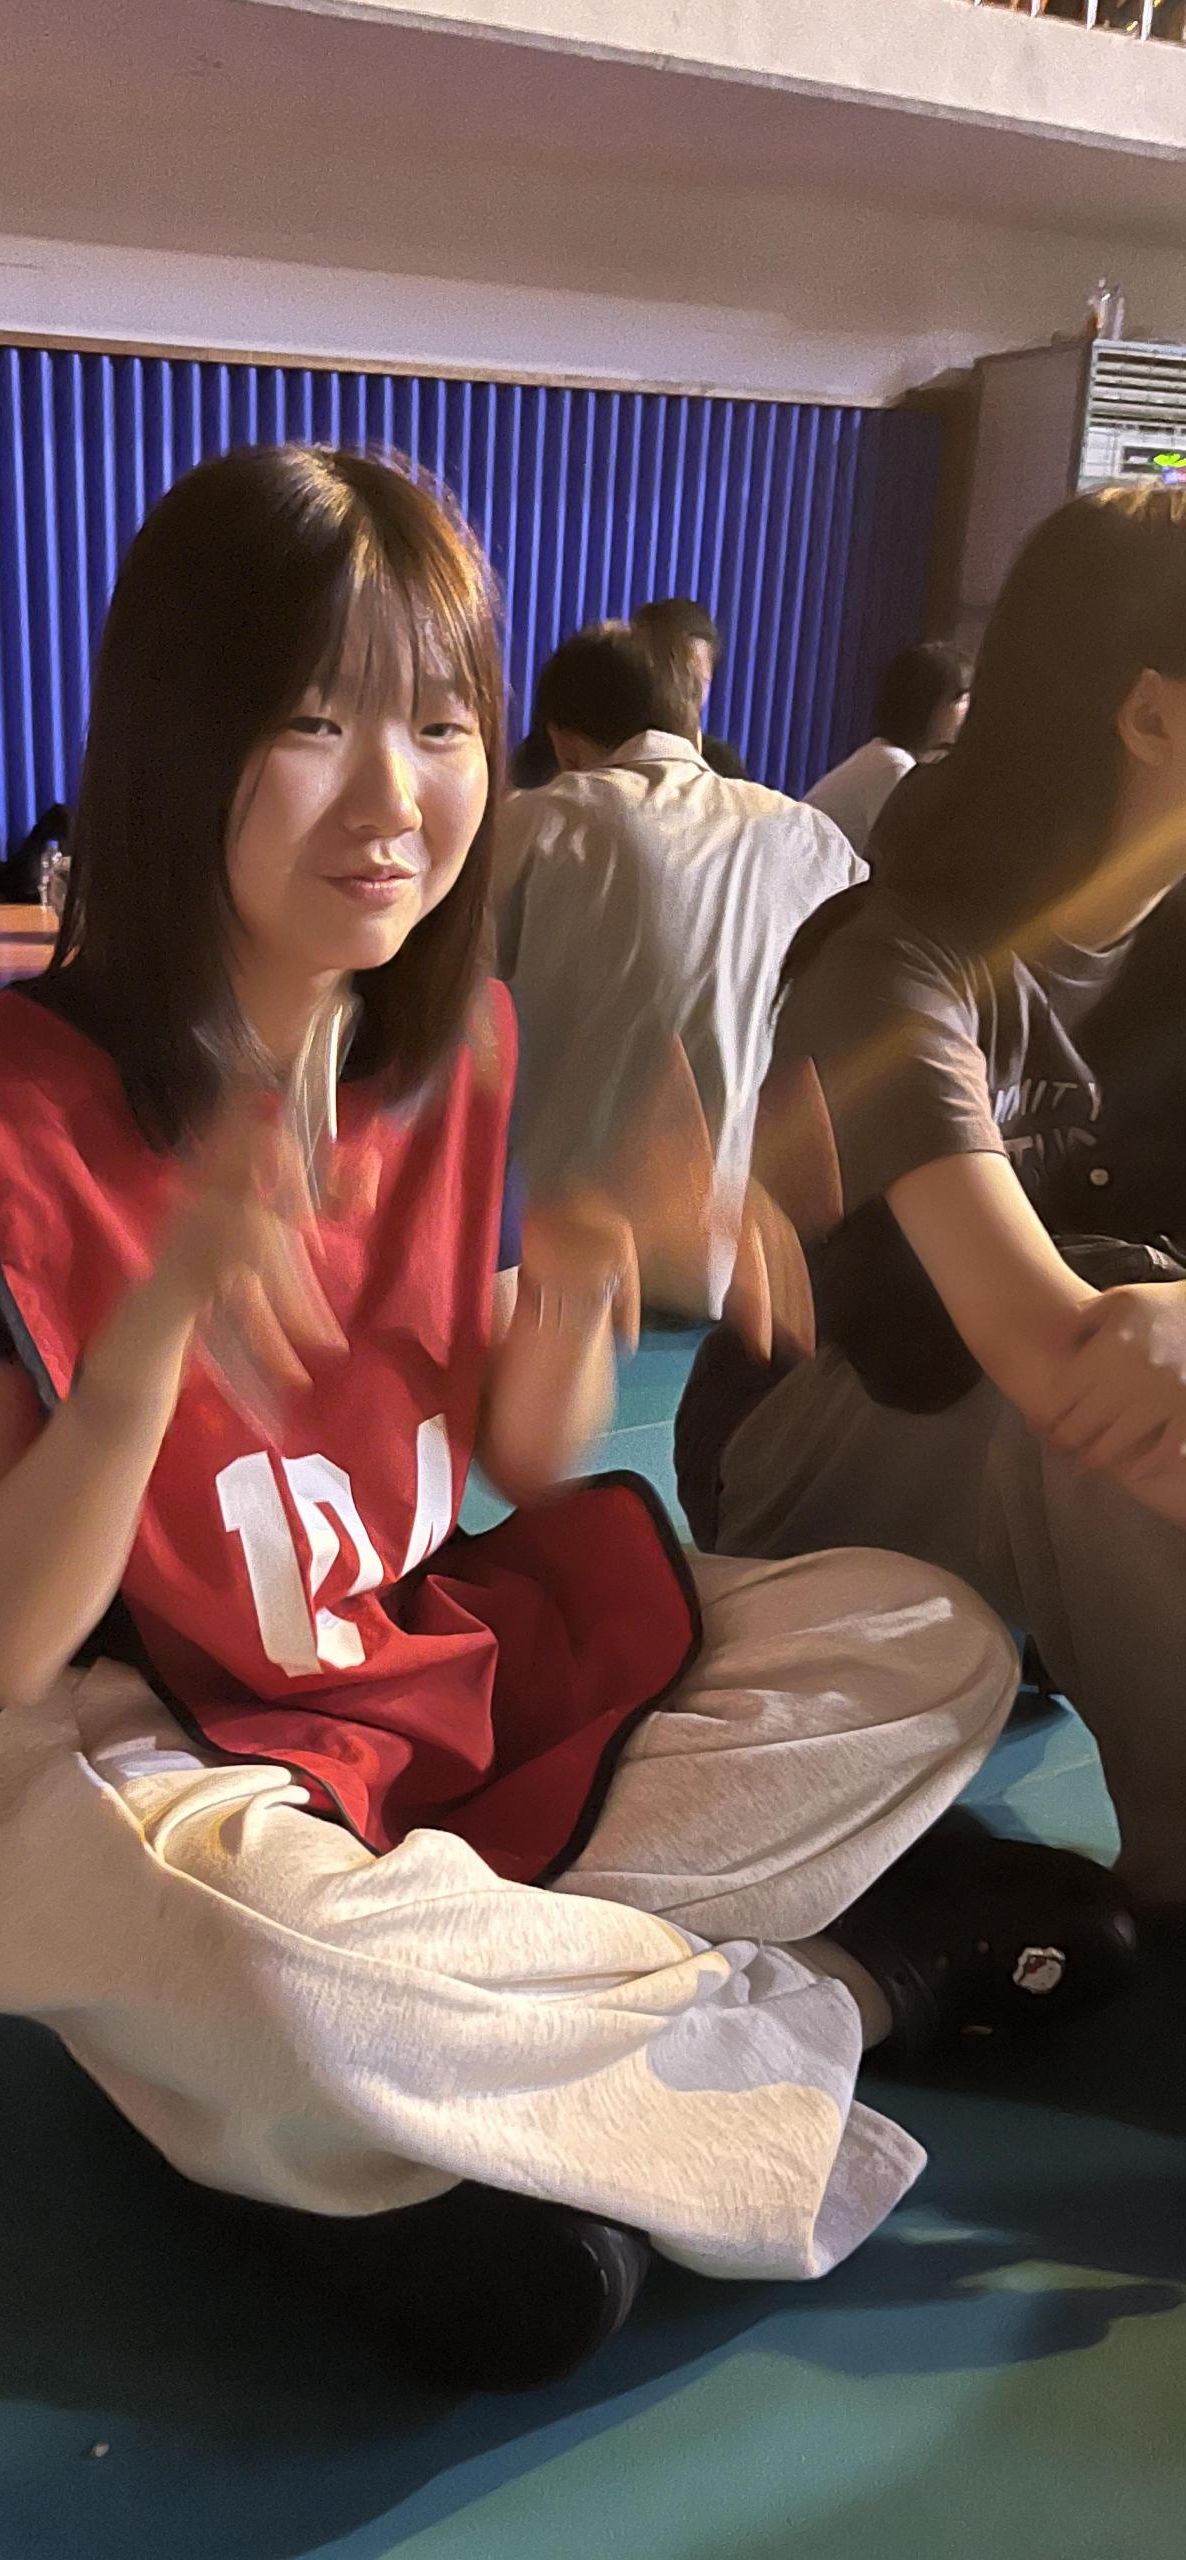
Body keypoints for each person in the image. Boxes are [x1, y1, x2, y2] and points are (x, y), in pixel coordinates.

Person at [0, 446, 1126, 2394]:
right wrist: (156, 1333)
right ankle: (840, 1983)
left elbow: (507, 1458)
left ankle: (411, 2073)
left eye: (440, 726)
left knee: (927, 1635)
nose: (394, 797)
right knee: (252, 1945)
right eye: (311, 722)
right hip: (142, 1744)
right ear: (177, 742)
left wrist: (589, 1274)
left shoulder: (457, 1046)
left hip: (414, 1663)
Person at [677, 485, 1186, 1926]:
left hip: (1080, 1448)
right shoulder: (893, 962)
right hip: (812, 1460)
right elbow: (1048, 1346)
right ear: (1151, 714)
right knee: (1099, 1369)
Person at [495, 620, 863, 1309]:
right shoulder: (812, 838)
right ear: (691, 726)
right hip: (740, 1280)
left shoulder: (542, 822)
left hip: (554, 1271)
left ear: (564, 744)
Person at [804, 642, 973, 858]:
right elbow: (906, 857)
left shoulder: (883, 755)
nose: (967, 710)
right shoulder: (894, 767)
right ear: (928, 705)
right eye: (961, 699)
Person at [632, 597, 749, 781]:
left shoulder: (721, 766)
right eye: (670, 677)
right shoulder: (604, 754)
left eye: (695, 685)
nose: (679, 694)